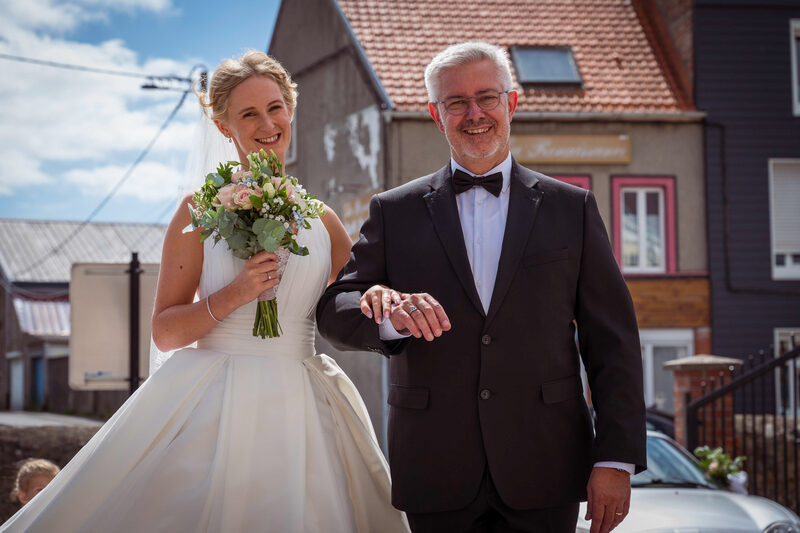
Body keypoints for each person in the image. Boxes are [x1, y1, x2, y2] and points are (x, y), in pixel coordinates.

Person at [2, 51, 408, 533]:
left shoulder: (323, 220)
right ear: (223, 127)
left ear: (290, 111)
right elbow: (165, 332)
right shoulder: (197, 211)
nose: (267, 123)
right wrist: (234, 294)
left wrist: (383, 295)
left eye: (276, 107)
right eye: (248, 114)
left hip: (303, 398)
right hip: (212, 400)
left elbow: (354, 299)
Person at [316, 41, 647, 533]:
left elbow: (612, 342)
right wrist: (387, 314)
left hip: (547, 465)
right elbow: (334, 308)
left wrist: (615, 460)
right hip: (435, 466)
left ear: (511, 104)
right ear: (436, 114)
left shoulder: (571, 209)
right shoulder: (395, 210)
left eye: (487, 98)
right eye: (456, 102)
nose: (475, 114)